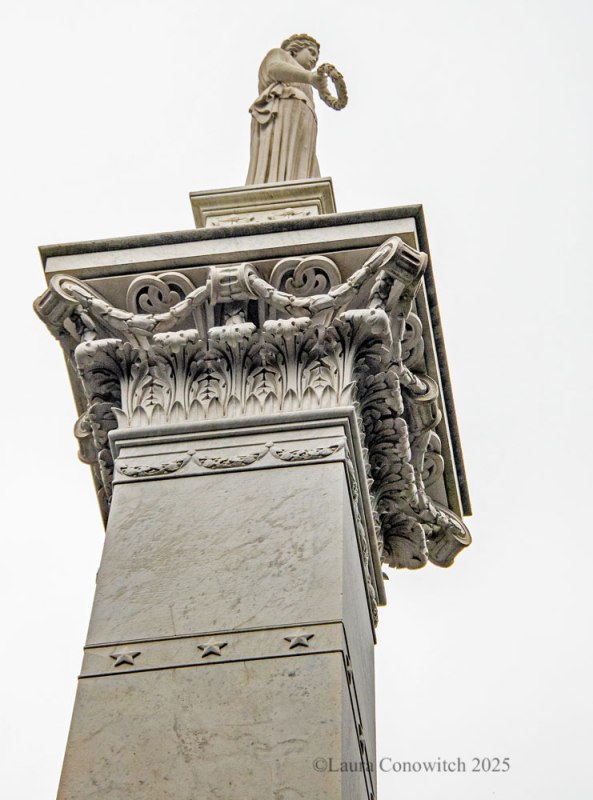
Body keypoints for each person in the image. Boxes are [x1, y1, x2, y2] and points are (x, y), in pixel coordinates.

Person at [246, 34, 326, 185]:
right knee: (278, 160)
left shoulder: (308, 85)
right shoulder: (278, 54)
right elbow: (273, 69)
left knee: (301, 166)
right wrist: (309, 77)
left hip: (302, 124)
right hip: (280, 113)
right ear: (295, 49)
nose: (315, 59)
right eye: (311, 52)